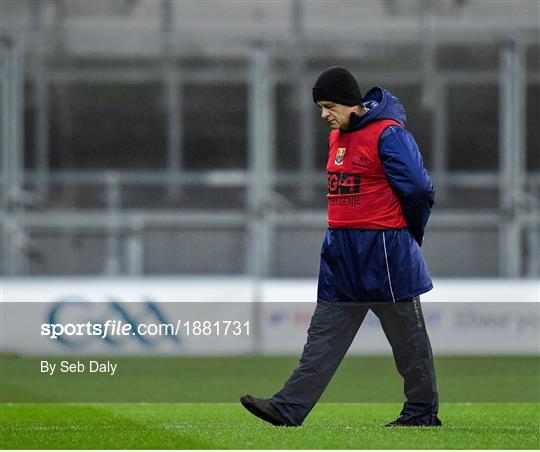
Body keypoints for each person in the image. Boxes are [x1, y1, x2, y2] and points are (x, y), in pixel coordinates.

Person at [241, 66, 441, 428]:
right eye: (320, 106)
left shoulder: (389, 134)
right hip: (341, 252)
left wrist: (405, 234)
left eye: (329, 105)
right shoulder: (338, 136)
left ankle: (421, 412)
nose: (324, 114)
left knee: (408, 343)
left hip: (383, 252)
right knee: (322, 338)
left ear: (352, 104)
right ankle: (288, 408)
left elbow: (418, 190)